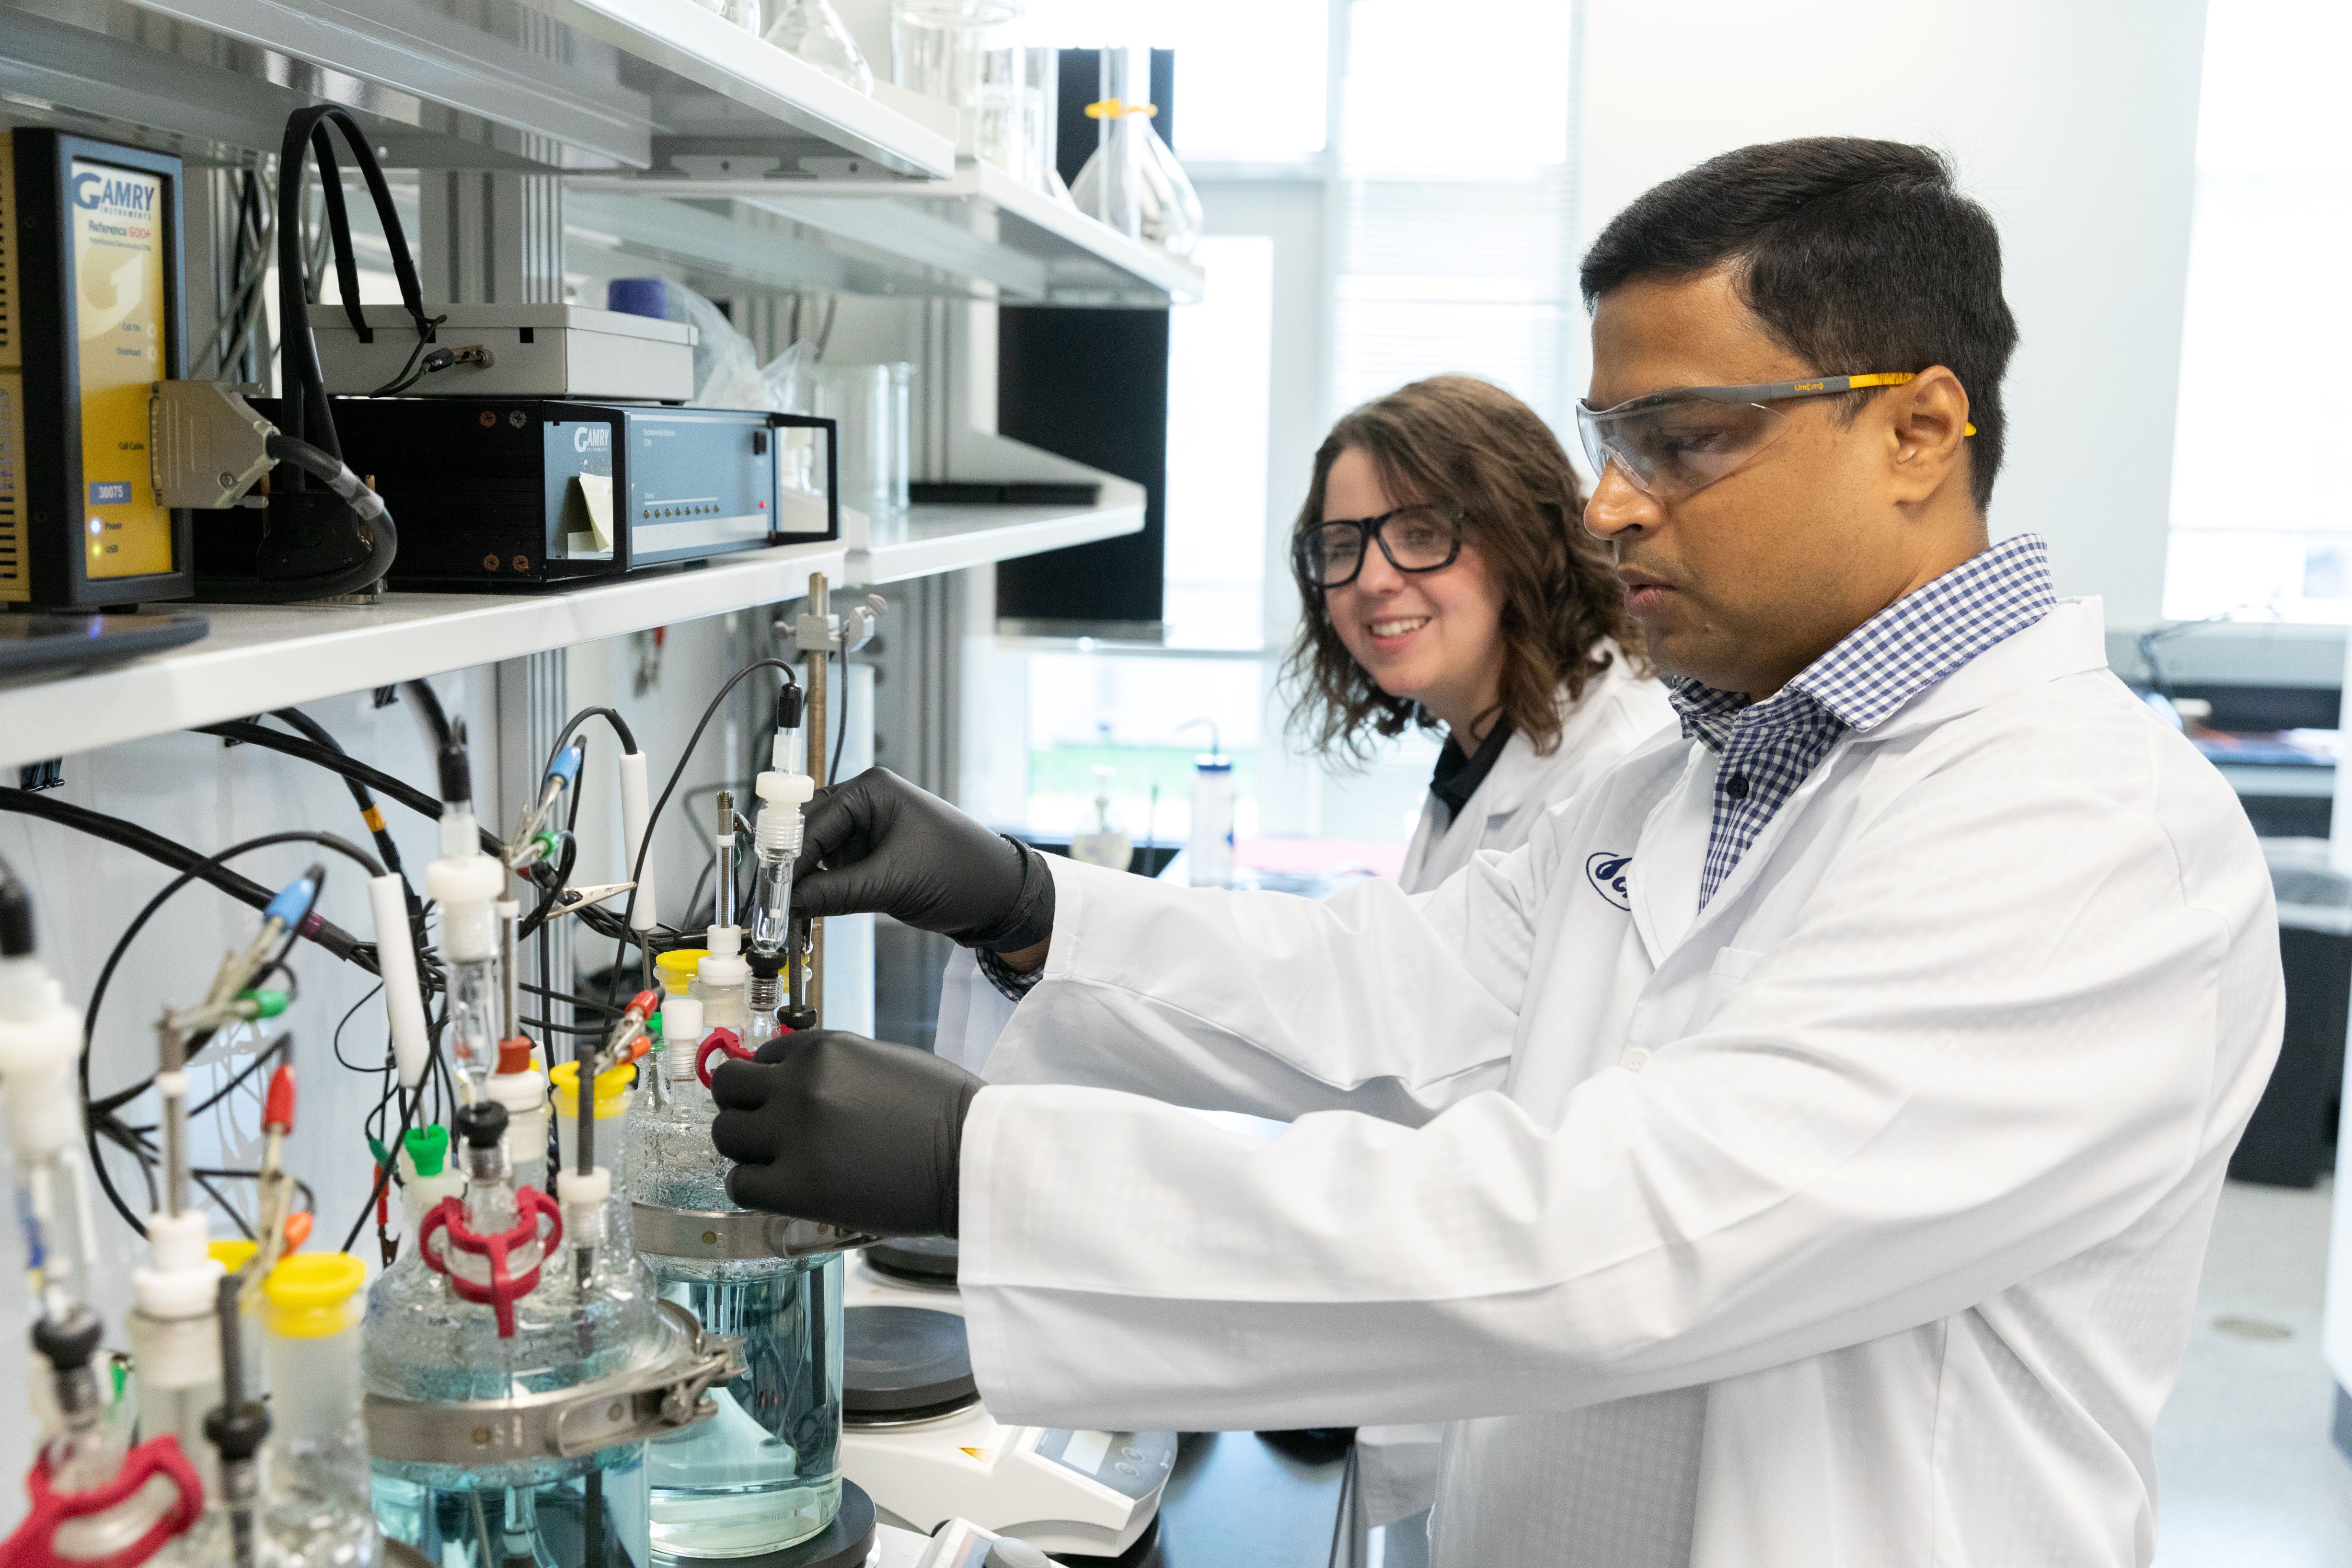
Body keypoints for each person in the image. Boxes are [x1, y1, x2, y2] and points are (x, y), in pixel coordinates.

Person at [713, 138, 2283, 1567]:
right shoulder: (1686, 779)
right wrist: (1026, 899)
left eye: (1677, 441)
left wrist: (979, 1166)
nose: (1607, 504)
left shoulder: (2086, 840)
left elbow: (1620, 1242)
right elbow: (1394, 978)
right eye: (1610, 438)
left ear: (1916, 430)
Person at [1287, 375, 1671, 890]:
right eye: (1340, 546)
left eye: (1422, 535)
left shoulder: (1620, 767)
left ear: (1526, 541)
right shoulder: (1477, 748)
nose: (1372, 580)